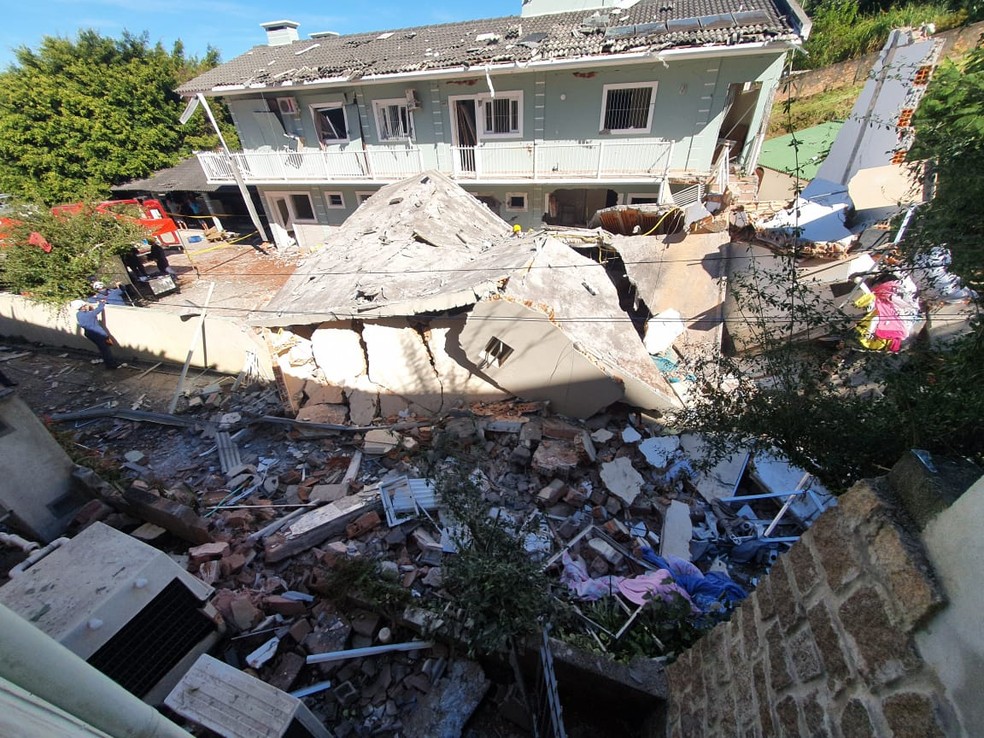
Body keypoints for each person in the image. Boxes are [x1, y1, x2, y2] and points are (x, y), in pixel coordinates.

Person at [75, 301, 121, 369]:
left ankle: (109, 362)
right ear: (82, 307)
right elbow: (98, 310)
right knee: (106, 350)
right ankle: (111, 365)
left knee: (102, 348)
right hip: (98, 334)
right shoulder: (89, 315)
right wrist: (102, 303)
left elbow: (90, 313)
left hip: (89, 334)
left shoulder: (78, 314)